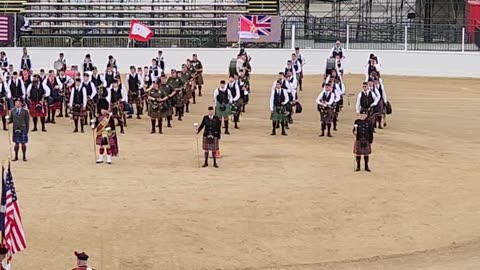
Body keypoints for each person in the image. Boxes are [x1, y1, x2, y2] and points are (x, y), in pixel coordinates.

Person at [92, 99, 119, 165]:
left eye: (104, 109)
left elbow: (112, 124)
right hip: (101, 132)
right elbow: (97, 123)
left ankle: (108, 158)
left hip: (108, 130)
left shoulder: (109, 116)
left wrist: (113, 132)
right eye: (102, 109)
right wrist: (93, 125)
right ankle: (100, 157)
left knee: (108, 145)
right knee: (101, 145)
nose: (103, 111)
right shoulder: (98, 116)